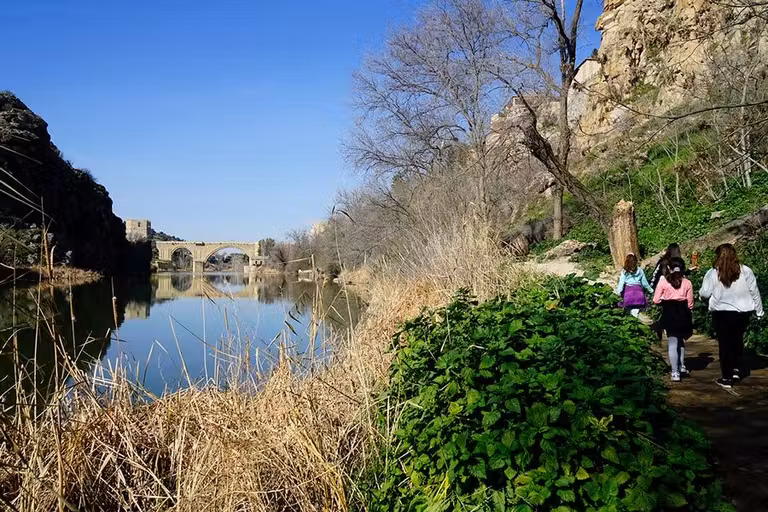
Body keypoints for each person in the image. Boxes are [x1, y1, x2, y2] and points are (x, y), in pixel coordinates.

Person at [699, 243, 764, 389]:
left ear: (717, 256)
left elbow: (705, 293)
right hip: (743, 312)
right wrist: (759, 311)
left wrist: (700, 297)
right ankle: (736, 368)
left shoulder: (713, 272)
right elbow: (754, 291)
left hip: (721, 312)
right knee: (737, 339)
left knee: (725, 343)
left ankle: (727, 377)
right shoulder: (745, 270)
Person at [653, 260, 693, 382]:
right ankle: (682, 365)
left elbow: (656, 300)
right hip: (683, 314)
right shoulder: (687, 283)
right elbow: (690, 304)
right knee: (681, 340)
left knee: (672, 342)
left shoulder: (663, 282)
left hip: (669, 313)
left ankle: (675, 372)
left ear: (669, 268)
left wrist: (665, 300)